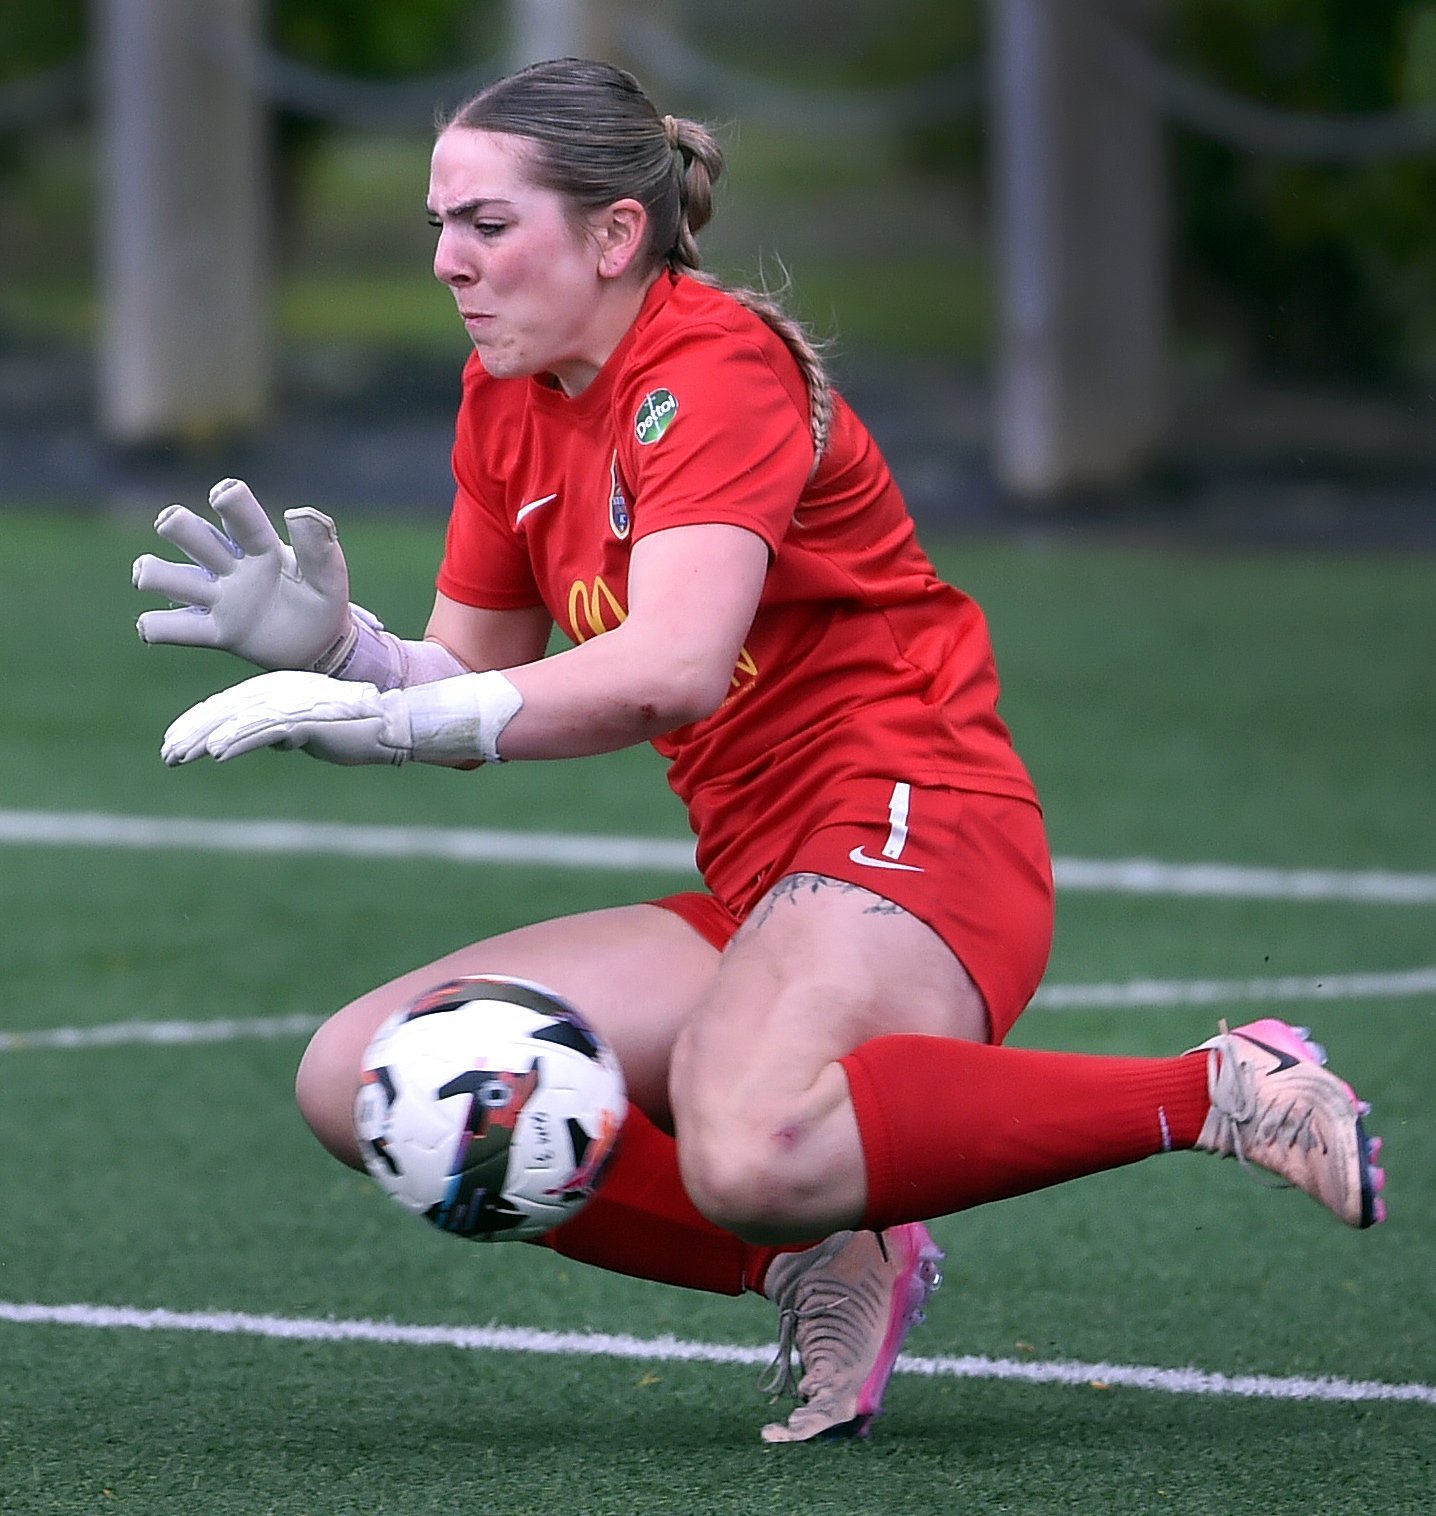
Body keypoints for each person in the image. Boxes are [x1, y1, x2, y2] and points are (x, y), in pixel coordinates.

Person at [133, 58, 1386, 1445]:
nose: (446, 262)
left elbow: (665, 668)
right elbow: (480, 675)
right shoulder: (509, 400)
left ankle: (1221, 1092)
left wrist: (391, 717)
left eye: (486, 225)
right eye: (441, 224)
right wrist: (346, 657)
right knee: (364, 1075)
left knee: (752, 1143)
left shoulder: (713, 364)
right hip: (765, 884)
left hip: (923, 825)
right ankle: (819, 1257)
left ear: (614, 235)